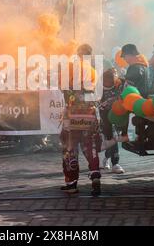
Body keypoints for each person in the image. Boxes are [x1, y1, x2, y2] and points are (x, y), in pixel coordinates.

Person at [59, 44, 102, 196]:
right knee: (90, 146)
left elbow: (63, 88)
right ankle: (95, 176)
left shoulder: (70, 69)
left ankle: (71, 184)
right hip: (89, 114)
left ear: (78, 54)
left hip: (72, 116)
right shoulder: (93, 72)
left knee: (70, 147)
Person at [120, 44, 150, 154]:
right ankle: (140, 138)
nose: (125, 59)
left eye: (125, 56)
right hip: (144, 99)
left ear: (130, 55)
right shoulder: (144, 64)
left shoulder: (134, 67)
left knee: (122, 109)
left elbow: (128, 84)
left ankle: (124, 135)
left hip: (135, 99)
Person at [98, 68, 126, 174]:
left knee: (114, 139)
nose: (110, 83)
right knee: (112, 138)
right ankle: (115, 163)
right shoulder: (98, 88)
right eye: (107, 81)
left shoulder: (121, 84)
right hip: (104, 116)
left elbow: (124, 96)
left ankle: (107, 158)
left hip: (117, 114)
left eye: (112, 81)